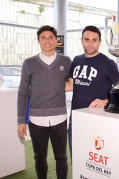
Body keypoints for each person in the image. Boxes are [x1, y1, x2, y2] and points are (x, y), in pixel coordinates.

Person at [17, 25, 71, 179]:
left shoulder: (66, 61)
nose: (47, 41)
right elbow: (22, 93)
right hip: (36, 121)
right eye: (43, 37)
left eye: (51, 37)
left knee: (61, 158)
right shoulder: (29, 63)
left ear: (56, 40)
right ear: (38, 41)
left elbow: (71, 83)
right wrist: (21, 121)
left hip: (60, 119)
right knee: (39, 158)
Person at [66, 25, 119, 158]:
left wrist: (106, 101)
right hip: (76, 117)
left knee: (94, 161)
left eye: (94, 40)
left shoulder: (107, 63)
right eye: (87, 39)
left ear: (100, 42)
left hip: (96, 119)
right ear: (81, 40)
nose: (90, 44)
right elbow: (71, 85)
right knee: (77, 158)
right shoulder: (76, 60)